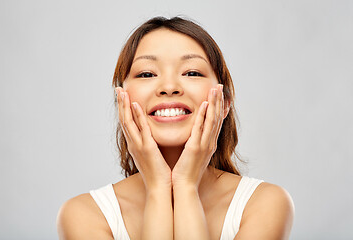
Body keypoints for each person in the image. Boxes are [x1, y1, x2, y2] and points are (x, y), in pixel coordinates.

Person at [56, 16, 294, 240]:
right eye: (147, 73)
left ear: (224, 105)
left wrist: (185, 186)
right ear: (121, 100)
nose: (169, 87)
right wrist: (159, 188)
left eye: (192, 72)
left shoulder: (265, 203)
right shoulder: (84, 214)